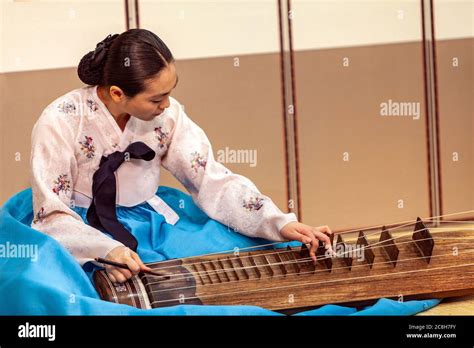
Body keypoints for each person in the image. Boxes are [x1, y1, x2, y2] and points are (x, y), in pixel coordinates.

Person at [30, 29, 332, 284]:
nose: (167, 105)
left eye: (170, 93)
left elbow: (211, 180)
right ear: (118, 93)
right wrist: (104, 250)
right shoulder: (61, 120)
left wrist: (276, 221)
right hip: (82, 225)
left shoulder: (167, 115)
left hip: (154, 222)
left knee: (238, 266)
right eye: (157, 98)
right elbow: (53, 214)